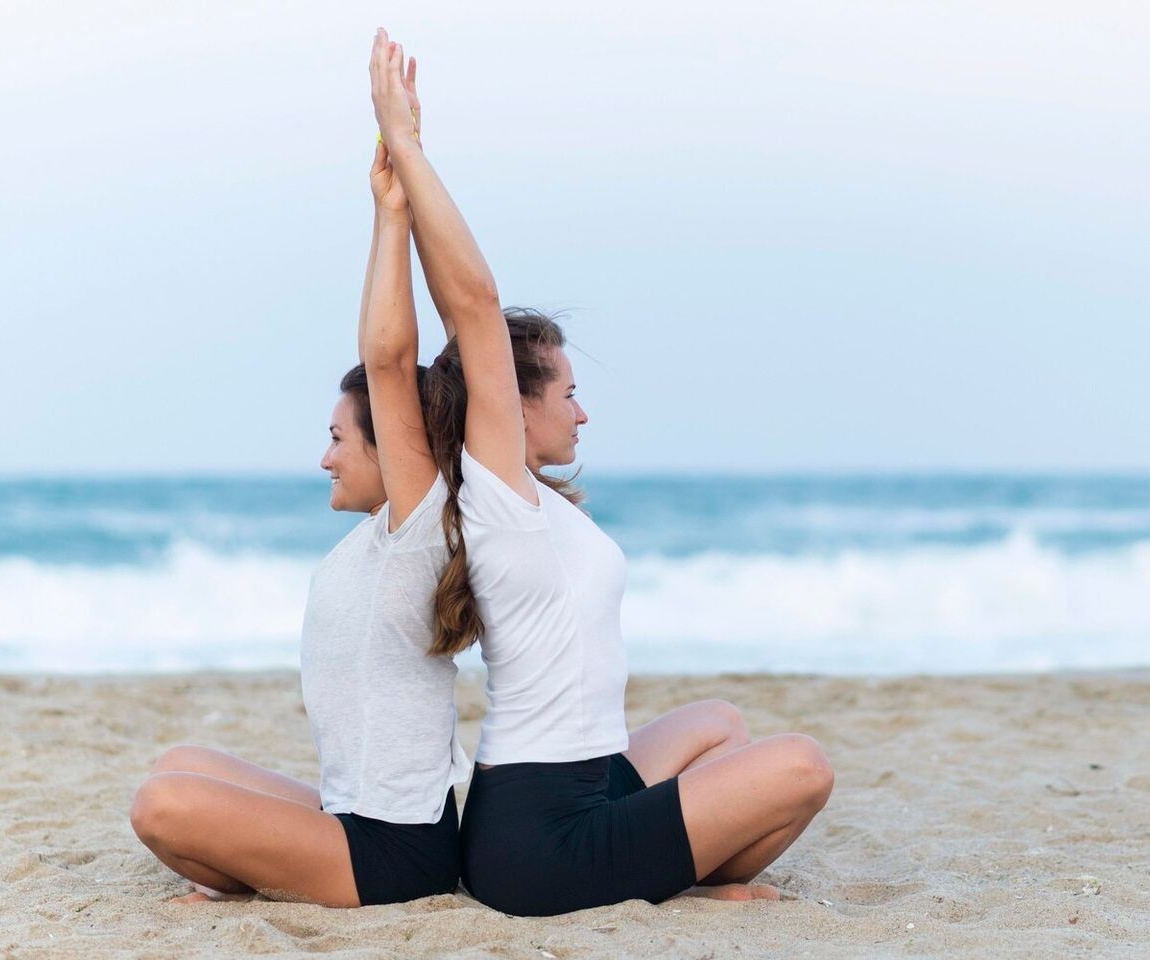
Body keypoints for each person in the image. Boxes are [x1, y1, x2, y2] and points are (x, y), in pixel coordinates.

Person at [368, 29, 835, 917]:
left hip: (585, 786)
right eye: (569, 393)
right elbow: (470, 306)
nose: (582, 412)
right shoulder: (499, 494)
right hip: (538, 838)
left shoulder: (537, 502)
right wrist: (410, 156)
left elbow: (471, 327)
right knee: (803, 766)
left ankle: (673, 868)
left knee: (721, 724)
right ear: (517, 405)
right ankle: (686, 882)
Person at [125, 50, 466, 905]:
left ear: (396, 450)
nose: (324, 457)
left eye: (339, 439)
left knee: (162, 804)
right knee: (182, 765)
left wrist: (393, 209)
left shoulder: (422, 527)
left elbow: (388, 360)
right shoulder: (368, 546)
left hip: (401, 849)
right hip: (349, 811)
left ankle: (270, 876)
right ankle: (277, 861)